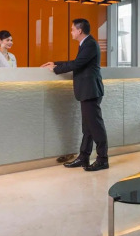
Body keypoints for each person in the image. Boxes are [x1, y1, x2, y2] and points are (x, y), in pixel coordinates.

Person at [42, 18, 108, 171]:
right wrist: (55, 63)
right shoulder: (86, 43)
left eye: (72, 29)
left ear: (79, 31)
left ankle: (103, 159)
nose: (71, 32)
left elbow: (77, 64)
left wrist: (56, 69)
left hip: (90, 91)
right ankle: (84, 157)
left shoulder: (90, 44)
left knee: (96, 127)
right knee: (88, 128)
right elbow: (78, 61)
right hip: (87, 91)